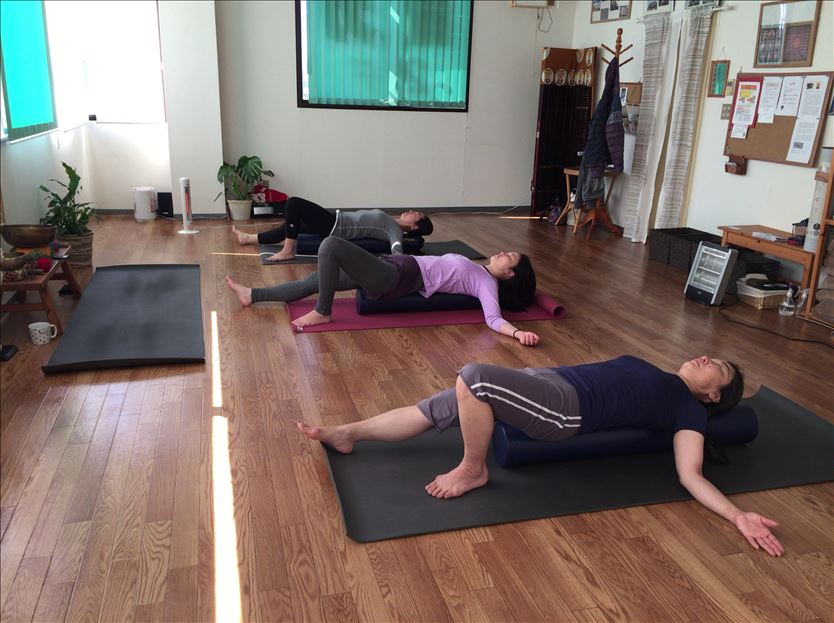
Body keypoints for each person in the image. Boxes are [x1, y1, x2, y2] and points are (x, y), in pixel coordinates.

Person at [297, 354, 785, 557]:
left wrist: (737, 515)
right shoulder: (659, 372)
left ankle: (472, 470)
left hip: (563, 411)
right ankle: (348, 433)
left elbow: (690, 473)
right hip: (548, 381)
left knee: (473, 377)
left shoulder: (688, 409)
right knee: (440, 405)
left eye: (718, 368)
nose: (706, 358)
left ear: (714, 395)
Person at [226, 236, 540, 343]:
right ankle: (254, 295)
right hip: (393, 266)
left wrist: (517, 333)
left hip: (394, 277)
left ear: (509, 273)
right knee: (317, 280)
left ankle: (323, 311)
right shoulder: (479, 268)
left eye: (508, 257)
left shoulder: (486, 283)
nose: (502, 252)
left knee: (330, 246)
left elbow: (493, 318)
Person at [233, 196, 434, 262]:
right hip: (335, 219)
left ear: (414, 226)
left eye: (415, 214)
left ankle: (288, 250)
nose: (410, 211)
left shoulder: (395, 230)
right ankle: (248, 238)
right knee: (290, 226)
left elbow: (398, 253)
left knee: (293, 203)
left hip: (335, 227)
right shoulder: (391, 221)